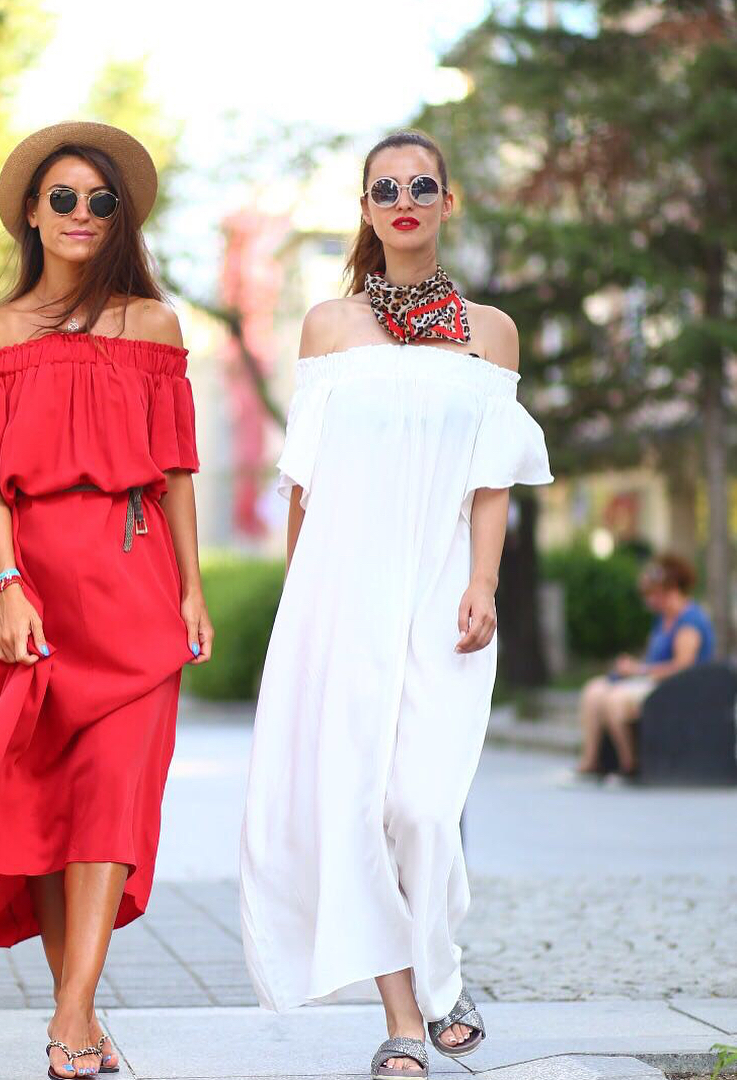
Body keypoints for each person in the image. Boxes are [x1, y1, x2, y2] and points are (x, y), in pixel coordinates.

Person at [239, 130, 554, 1078]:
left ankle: (442, 974)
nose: (404, 200)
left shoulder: (491, 332)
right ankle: (406, 1021)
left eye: (422, 186)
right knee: (357, 806)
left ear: (448, 202)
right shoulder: (329, 327)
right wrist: (299, 608)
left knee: (422, 805)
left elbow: (493, 479)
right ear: (367, 210)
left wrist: (483, 583)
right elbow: (303, 482)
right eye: (386, 189)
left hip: (443, 591)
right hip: (341, 590)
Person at [0, 122, 213, 1079]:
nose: (83, 214)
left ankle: (71, 1015)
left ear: (120, 219)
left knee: (113, 801)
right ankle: (76, 1017)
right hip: (30, 590)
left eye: (101, 201)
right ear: (33, 217)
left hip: (134, 580)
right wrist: (7, 585)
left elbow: (176, 471)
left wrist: (193, 589)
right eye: (64, 199)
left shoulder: (154, 326)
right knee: (44, 807)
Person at [575, 553, 715, 778]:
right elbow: (654, 660)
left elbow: (683, 669)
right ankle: (591, 761)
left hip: (677, 689)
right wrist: (634, 667)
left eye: (652, 594)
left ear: (670, 590)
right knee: (594, 691)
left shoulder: (690, 622)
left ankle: (629, 764)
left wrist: (639, 670)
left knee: (615, 700)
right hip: (651, 680)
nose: (648, 601)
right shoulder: (662, 619)